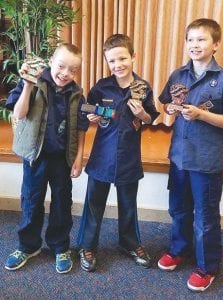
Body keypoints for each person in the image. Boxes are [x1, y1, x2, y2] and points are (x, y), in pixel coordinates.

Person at [158, 18, 223, 291]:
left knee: (205, 218)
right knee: (179, 210)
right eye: (191, 40)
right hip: (179, 158)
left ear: (216, 44)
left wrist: (201, 114)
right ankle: (179, 249)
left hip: (206, 162)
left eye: (202, 39)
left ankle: (208, 266)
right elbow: (166, 111)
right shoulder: (178, 75)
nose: (195, 45)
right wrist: (171, 112)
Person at [77, 34, 160, 272]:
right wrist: (92, 115)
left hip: (129, 157)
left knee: (128, 204)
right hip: (102, 156)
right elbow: (87, 108)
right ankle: (88, 245)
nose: (118, 65)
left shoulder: (142, 88)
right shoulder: (101, 87)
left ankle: (130, 243)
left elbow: (151, 116)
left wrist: (143, 115)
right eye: (112, 61)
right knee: (94, 203)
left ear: (133, 56)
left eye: (122, 58)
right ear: (107, 62)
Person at [4, 43, 89, 274]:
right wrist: (28, 86)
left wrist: (79, 158)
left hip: (63, 158)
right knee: (31, 201)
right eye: (61, 66)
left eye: (73, 70)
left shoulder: (77, 94)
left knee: (62, 203)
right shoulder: (32, 81)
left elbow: (82, 127)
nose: (65, 74)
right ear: (51, 61)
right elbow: (19, 114)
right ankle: (28, 246)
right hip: (36, 157)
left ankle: (60, 246)